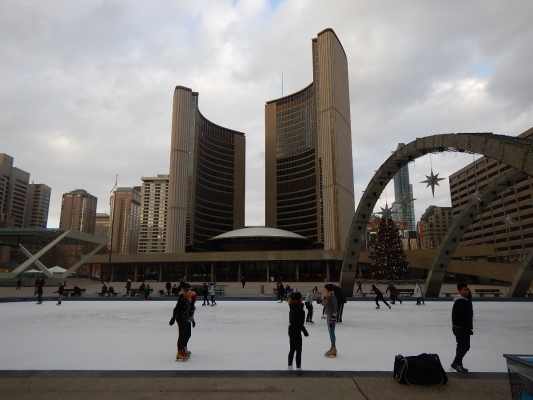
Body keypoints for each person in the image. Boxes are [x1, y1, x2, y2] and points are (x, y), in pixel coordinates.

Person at [451, 282, 473, 373]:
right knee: (465, 346)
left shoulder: (463, 300)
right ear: (459, 291)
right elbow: (463, 316)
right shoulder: (461, 302)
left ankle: (459, 365)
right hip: (461, 328)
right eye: (464, 290)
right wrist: (466, 328)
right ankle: (455, 363)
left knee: (461, 346)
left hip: (459, 327)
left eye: (467, 289)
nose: (467, 291)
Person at [170, 282, 194, 360]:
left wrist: (192, 320)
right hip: (181, 318)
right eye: (189, 290)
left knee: (186, 334)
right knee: (182, 335)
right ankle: (179, 352)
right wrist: (173, 318)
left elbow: (189, 310)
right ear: (186, 290)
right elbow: (177, 308)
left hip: (185, 318)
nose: (191, 291)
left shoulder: (187, 297)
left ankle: (183, 349)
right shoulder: (182, 296)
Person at [287, 292, 309, 370]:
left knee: (292, 349)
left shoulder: (292, 307)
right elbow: (298, 322)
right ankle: (298, 367)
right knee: (298, 350)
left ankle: (289, 366)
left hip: (291, 330)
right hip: (296, 331)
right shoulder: (300, 309)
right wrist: (305, 331)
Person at [322, 284, 338, 357]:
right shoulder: (327, 296)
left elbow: (336, 307)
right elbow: (324, 304)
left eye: (325, 288)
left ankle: (333, 348)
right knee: (330, 332)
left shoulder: (332, 296)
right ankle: (332, 347)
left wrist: (333, 316)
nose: (324, 289)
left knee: (331, 332)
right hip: (328, 316)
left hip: (331, 316)